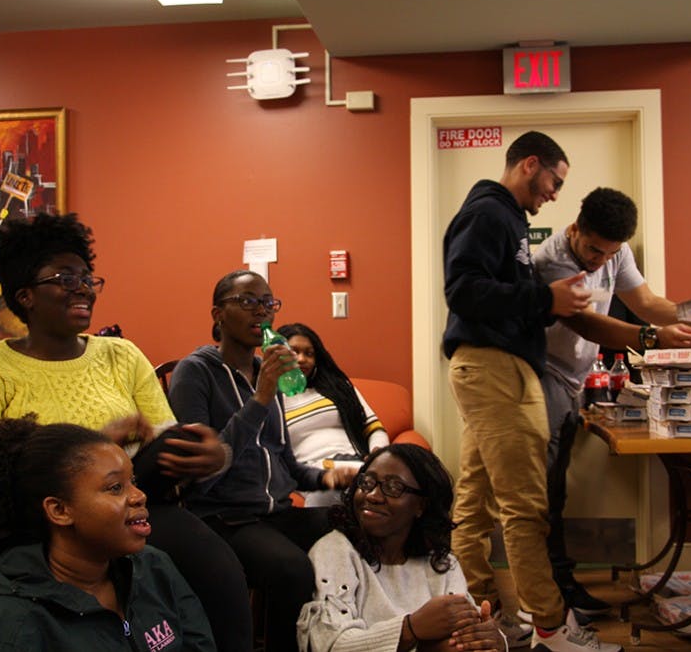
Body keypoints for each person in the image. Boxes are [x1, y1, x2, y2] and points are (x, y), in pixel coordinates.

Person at [0, 214, 253, 652]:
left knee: (220, 572)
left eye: (87, 278)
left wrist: (207, 455)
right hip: (30, 520)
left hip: (125, 503)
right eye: (65, 278)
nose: (83, 287)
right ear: (25, 295)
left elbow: (163, 440)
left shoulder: (121, 355)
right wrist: (96, 447)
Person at [442, 130, 620, 652]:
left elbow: (491, 293)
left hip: (489, 369)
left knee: (475, 503)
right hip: (496, 370)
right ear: (530, 164)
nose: (555, 194)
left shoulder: (506, 217)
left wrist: (543, 301)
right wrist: (545, 300)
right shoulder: (489, 213)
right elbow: (462, 290)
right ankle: (550, 627)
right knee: (525, 507)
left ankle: (484, 617)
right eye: (554, 182)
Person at [533, 187, 691, 617]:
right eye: (594, 250)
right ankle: (552, 593)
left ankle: (556, 587)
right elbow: (589, 325)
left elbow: (645, 303)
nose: (601, 261)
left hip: (571, 379)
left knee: (557, 487)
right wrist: (653, 337)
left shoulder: (616, 252)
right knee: (545, 490)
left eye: (610, 253)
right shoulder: (552, 261)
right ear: (576, 228)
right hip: (541, 376)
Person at [168, 270, 355, 652]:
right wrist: (261, 399)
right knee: (292, 569)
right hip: (225, 517)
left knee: (358, 526)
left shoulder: (265, 372)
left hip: (277, 513)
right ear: (218, 314)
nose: (262, 311)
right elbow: (200, 473)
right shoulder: (196, 372)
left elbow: (284, 462)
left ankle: (350, 638)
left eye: (268, 303)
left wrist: (326, 479)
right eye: (248, 301)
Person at [0, 417, 216, 651]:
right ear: (59, 510)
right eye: (115, 487)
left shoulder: (154, 568)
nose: (139, 496)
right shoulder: (6, 628)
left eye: (132, 481)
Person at [298, 444, 506, 652]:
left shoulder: (442, 562)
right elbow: (331, 643)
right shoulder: (334, 550)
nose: (373, 496)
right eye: (367, 482)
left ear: (421, 505)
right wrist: (410, 629)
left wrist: (495, 639)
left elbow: (465, 634)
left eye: (393, 487)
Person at [278, 322, 390, 506]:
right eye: (294, 352)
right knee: (327, 493)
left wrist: (377, 456)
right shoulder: (270, 399)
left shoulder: (338, 388)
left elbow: (373, 428)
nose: (302, 359)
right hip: (313, 473)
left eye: (309, 353)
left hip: (354, 463)